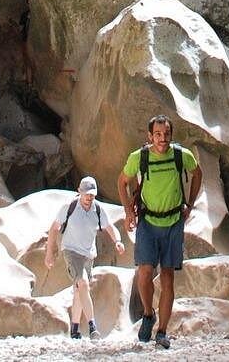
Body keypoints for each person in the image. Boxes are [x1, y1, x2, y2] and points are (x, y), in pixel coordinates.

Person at [116, 114, 202, 349]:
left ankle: (162, 332)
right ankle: (148, 313)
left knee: (167, 276)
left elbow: (197, 173)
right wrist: (128, 212)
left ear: (171, 135)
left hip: (173, 221)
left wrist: (190, 204)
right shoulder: (139, 157)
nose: (162, 139)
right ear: (150, 136)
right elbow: (122, 181)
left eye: (166, 134)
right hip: (148, 221)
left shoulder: (181, 155)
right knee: (144, 272)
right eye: (158, 134)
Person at [44, 175, 125, 340]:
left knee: (79, 289)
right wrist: (49, 252)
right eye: (86, 194)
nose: (89, 198)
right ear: (79, 192)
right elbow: (54, 228)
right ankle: (92, 327)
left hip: (88, 254)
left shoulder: (98, 209)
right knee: (83, 283)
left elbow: (110, 227)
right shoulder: (70, 207)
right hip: (71, 251)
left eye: (92, 195)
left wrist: (117, 241)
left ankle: (74, 329)